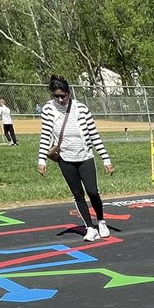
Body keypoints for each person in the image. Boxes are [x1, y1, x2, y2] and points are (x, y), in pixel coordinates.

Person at [37, 76, 113, 242]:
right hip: (65, 158)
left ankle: (101, 221)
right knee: (77, 194)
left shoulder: (81, 108)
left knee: (93, 191)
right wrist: (42, 160)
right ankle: (89, 227)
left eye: (63, 95)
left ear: (68, 92)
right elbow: (45, 135)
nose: (60, 99)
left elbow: (94, 135)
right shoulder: (48, 110)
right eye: (56, 96)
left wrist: (106, 159)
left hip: (85, 156)